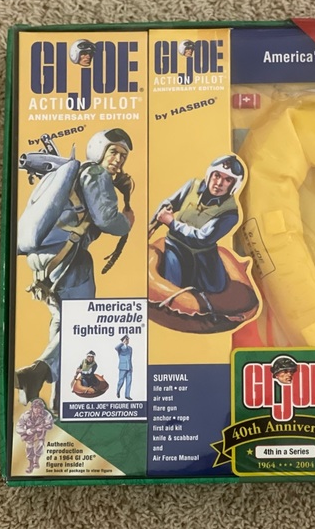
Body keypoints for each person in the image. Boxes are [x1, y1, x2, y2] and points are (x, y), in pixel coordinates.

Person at [15, 128, 135, 413]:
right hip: (69, 260)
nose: (118, 159)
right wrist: (126, 221)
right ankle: (37, 372)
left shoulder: (76, 176)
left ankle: (58, 399)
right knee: (80, 324)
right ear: (99, 150)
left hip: (44, 260)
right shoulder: (94, 173)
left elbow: (83, 223)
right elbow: (107, 219)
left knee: (62, 323)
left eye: (123, 155)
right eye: (113, 151)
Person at [151, 155, 244, 294]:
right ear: (210, 174)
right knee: (172, 288)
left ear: (234, 185)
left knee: (215, 291)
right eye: (217, 175)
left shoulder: (230, 213)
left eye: (228, 179)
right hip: (175, 247)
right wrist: (152, 225)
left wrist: (171, 223)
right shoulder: (192, 186)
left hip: (203, 257)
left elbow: (202, 238)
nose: (219, 183)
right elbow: (169, 203)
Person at [15, 398, 54, 474]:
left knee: (40, 445)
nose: (37, 410)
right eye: (35, 407)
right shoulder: (26, 415)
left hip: (40, 434)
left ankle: (36, 460)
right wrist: (26, 431)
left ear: (42, 408)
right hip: (29, 434)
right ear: (32, 408)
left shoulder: (46, 414)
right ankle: (30, 464)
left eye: (39, 408)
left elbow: (50, 425)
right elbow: (18, 428)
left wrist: (43, 427)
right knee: (29, 447)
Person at [115, 335, 133, 400]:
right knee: (121, 381)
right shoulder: (120, 348)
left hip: (129, 367)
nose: (127, 341)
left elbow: (130, 358)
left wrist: (131, 366)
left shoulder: (130, 348)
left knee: (129, 382)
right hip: (122, 367)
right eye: (126, 339)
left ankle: (127, 395)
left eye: (128, 339)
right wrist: (122, 343)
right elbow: (116, 348)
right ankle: (118, 391)